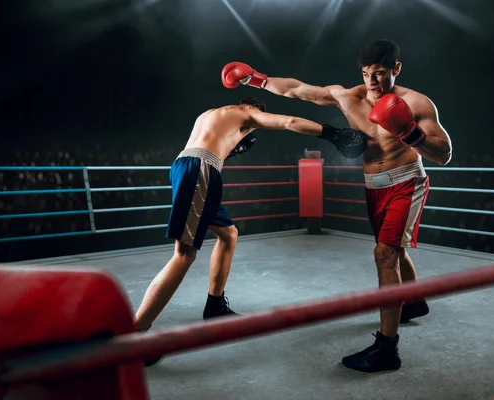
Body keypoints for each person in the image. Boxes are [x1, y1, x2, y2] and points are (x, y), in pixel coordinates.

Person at [222, 39, 452, 373]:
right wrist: (255, 79)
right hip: (373, 185)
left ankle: (387, 349)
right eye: (366, 74)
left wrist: (409, 132)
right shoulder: (349, 96)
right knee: (394, 251)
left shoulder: (416, 102)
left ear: (396, 70)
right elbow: (299, 90)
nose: (372, 82)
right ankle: (413, 302)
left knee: (384, 254)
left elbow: (443, 153)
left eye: (380, 74)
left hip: (406, 180)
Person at [134, 96, 367, 366]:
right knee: (184, 254)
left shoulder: (209, 113)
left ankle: (215, 305)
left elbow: (208, 144)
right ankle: (136, 335)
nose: (252, 129)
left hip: (188, 167)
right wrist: (331, 133)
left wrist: (229, 148)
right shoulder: (246, 114)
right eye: (254, 123)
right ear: (250, 108)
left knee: (228, 234)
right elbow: (289, 122)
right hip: (201, 170)